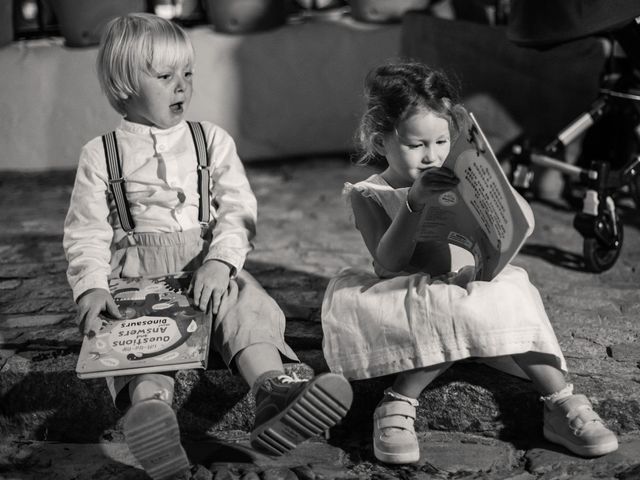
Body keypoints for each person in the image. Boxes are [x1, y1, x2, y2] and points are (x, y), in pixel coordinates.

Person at [63, 13, 352, 480]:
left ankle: (271, 392)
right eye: (164, 76)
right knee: (142, 342)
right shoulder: (100, 153)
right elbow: (86, 229)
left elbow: (239, 209)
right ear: (123, 84)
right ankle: (151, 415)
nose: (181, 86)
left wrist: (221, 260)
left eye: (187, 74)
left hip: (205, 263)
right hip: (138, 274)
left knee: (245, 307)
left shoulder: (210, 140)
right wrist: (92, 287)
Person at [321, 60, 618, 464]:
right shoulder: (367, 193)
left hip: (462, 283)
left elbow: (507, 221)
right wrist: (414, 203)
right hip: (405, 296)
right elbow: (388, 265)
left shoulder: (453, 173)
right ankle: (397, 402)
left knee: (511, 287)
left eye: (441, 142)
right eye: (416, 145)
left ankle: (561, 403)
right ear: (381, 138)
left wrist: (503, 210)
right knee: (449, 305)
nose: (432, 156)